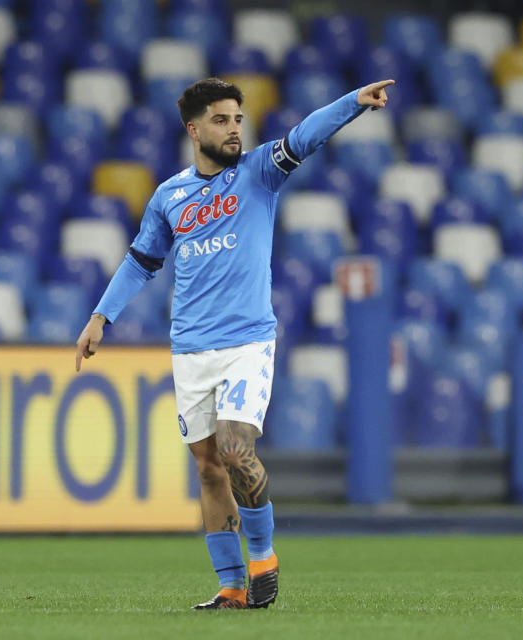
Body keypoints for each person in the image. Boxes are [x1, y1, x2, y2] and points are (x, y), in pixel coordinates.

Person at [74, 77, 394, 610]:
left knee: (234, 446)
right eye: (222, 121)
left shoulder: (259, 173)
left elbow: (304, 136)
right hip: (190, 348)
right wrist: (100, 317)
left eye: (239, 120)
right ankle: (230, 585)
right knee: (207, 466)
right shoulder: (168, 197)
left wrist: (351, 105)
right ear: (193, 129)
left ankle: (264, 558)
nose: (234, 130)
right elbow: (141, 262)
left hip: (246, 341)